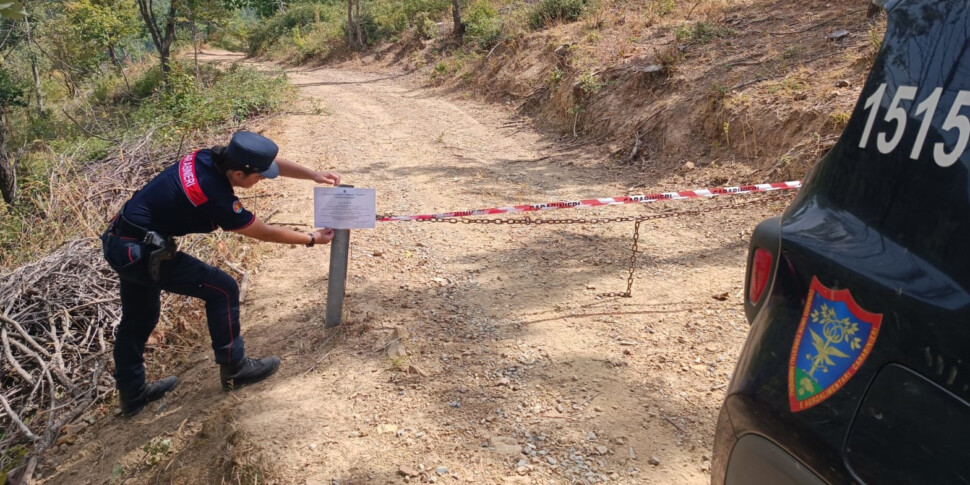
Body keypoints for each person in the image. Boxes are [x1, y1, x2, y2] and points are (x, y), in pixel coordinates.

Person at [100, 130, 340, 417]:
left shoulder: (207, 157)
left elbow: (267, 162)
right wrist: (311, 239)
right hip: (138, 252)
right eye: (259, 177)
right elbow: (263, 232)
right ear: (238, 174)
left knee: (138, 320)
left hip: (122, 241)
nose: (261, 179)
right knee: (223, 288)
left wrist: (313, 174)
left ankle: (132, 395)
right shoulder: (215, 196)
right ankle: (235, 368)